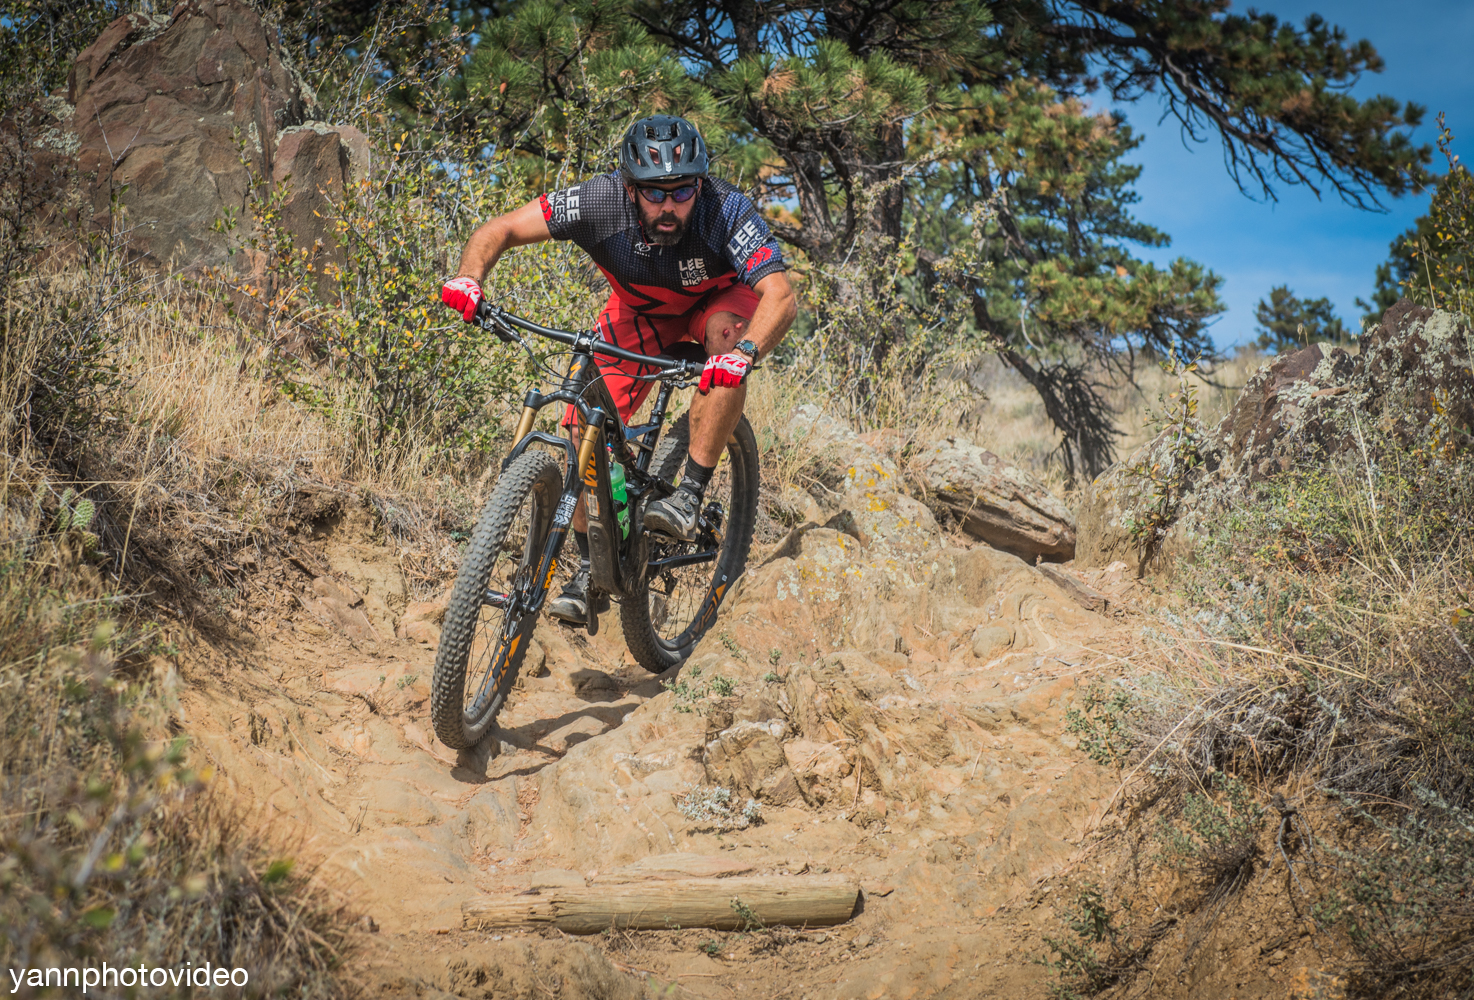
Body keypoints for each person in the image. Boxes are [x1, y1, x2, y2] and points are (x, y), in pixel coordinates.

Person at [441, 114, 797, 625]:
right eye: (654, 193)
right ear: (630, 188)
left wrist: (743, 354)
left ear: (699, 185)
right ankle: (592, 569)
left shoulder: (725, 210)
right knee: (579, 426)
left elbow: (780, 295)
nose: (669, 206)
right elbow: (502, 228)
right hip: (641, 311)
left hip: (717, 303)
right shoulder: (598, 201)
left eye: (682, 191)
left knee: (726, 348)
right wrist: (468, 279)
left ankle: (689, 494)